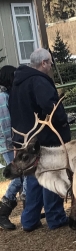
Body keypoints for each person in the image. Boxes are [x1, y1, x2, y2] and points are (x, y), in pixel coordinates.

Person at [10, 48, 70, 232]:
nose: (51, 66)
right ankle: (55, 217)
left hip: (26, 137)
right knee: (50, 173)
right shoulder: (38, 81)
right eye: (50, 63)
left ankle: (29, 219)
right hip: (44, 137)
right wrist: (61, 120)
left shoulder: (17, 83)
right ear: (43, 63)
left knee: (34, 176)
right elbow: (49, 106)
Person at [0, 65, 27, 230]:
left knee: (23, 176)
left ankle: (28, 212)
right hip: (9, 145)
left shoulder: (8, 94)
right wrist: (14, 144)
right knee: (18, 177)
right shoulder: (3, 97)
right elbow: (5, 124)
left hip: (13, 143)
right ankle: (3, 212)